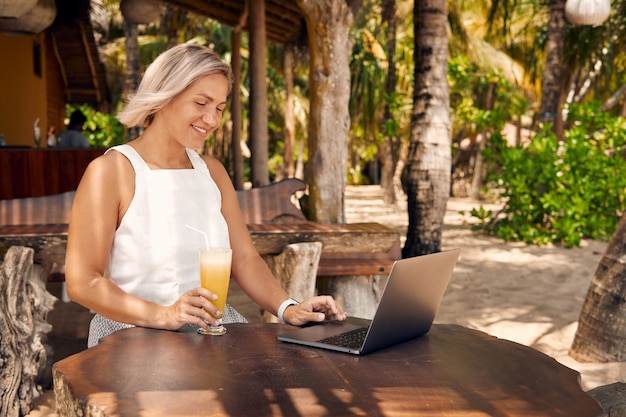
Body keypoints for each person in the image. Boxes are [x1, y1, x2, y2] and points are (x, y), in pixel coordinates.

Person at [65, 43, 346, 347]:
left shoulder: (212, 171)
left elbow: (245, 257)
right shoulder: (112, 171)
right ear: (164, 95)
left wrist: (287, 308)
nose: (212, 120)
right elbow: (83, 282)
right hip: (132, 333)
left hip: (210, 329)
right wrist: (164, 315)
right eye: (201, 103)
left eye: (219, 108)